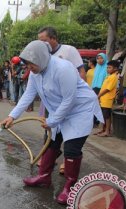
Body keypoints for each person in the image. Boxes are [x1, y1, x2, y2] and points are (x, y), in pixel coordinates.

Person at [0, 40, 103, 205]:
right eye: (27, 65)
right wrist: (12, 116)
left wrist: (53, 121)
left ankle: (70, 188)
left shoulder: (63, 68)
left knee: (71, 149)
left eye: (31, 64)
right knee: (51, 143)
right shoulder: (35, 73)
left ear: (41, 58)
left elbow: (70, 99)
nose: (29, 68)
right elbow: (28, 95)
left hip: (79, 111)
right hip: (60, 111)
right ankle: (43, 177)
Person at [38, 26, 86, 174]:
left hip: (69, 100)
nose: (42, 44)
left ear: (53, 38)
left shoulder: (69, 50)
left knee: (70, 132)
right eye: (39, 41)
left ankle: (67, 161)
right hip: (51, 101)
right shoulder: (42, 55)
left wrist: (77, 97)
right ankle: (47, 158)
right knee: (49, 129)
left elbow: (81, 72)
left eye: (44, 40)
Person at [96, 60, 120, 137]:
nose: (107, 69)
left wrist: (99, 95)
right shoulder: (109, 76)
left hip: (107, 99)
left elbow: (107, 89)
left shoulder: (113, 77)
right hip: (103, 99)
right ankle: (103, 129)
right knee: (103, 115)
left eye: (109, 68)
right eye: (107, 67)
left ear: (115, 68)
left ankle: (107, 131)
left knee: (107, 116)